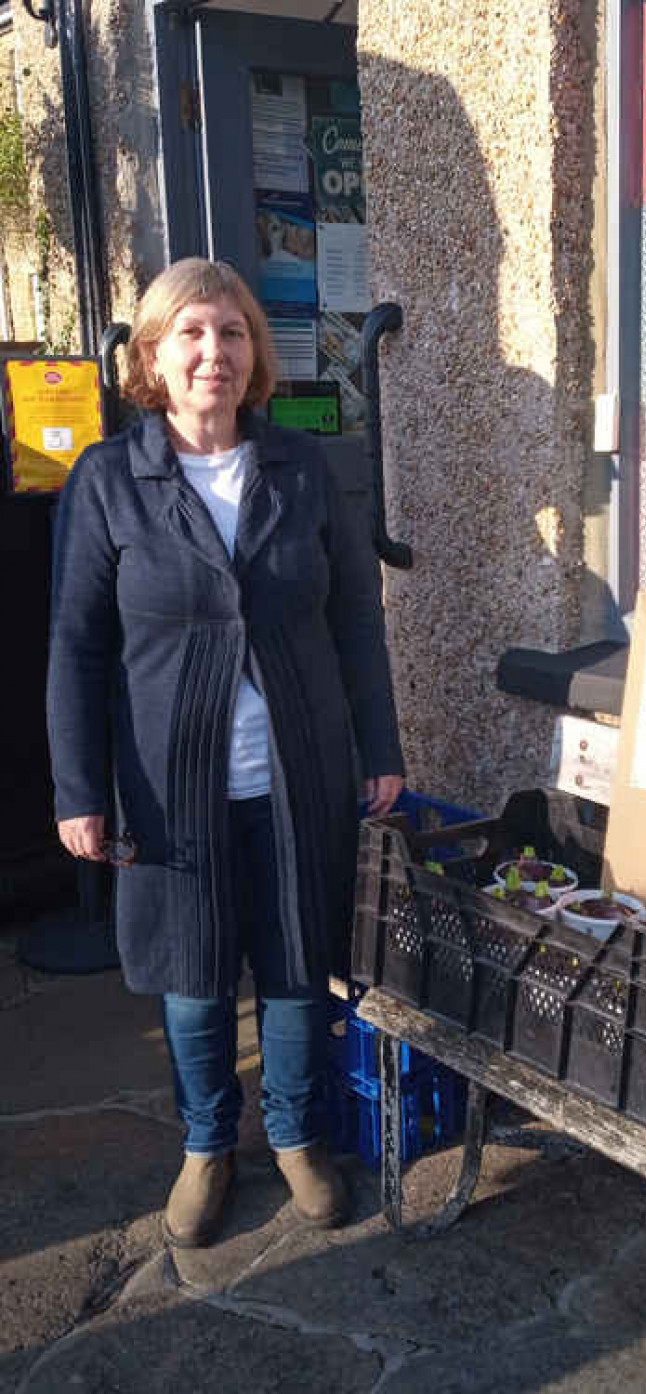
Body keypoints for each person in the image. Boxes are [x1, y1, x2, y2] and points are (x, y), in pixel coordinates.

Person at [46, 258, 404, 1248]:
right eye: (193, 333)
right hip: (169, 786)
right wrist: (80, 787)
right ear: (153, 356)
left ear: (256, 355)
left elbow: (356, 621)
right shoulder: (110, 480)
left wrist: (380, 746)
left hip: (299, 769)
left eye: (234, 332)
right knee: (194, 975)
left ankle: (295, 1137)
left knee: (296, 964)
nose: (215, 352)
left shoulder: (301, 468)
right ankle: (207, 1144)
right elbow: (75, 642)